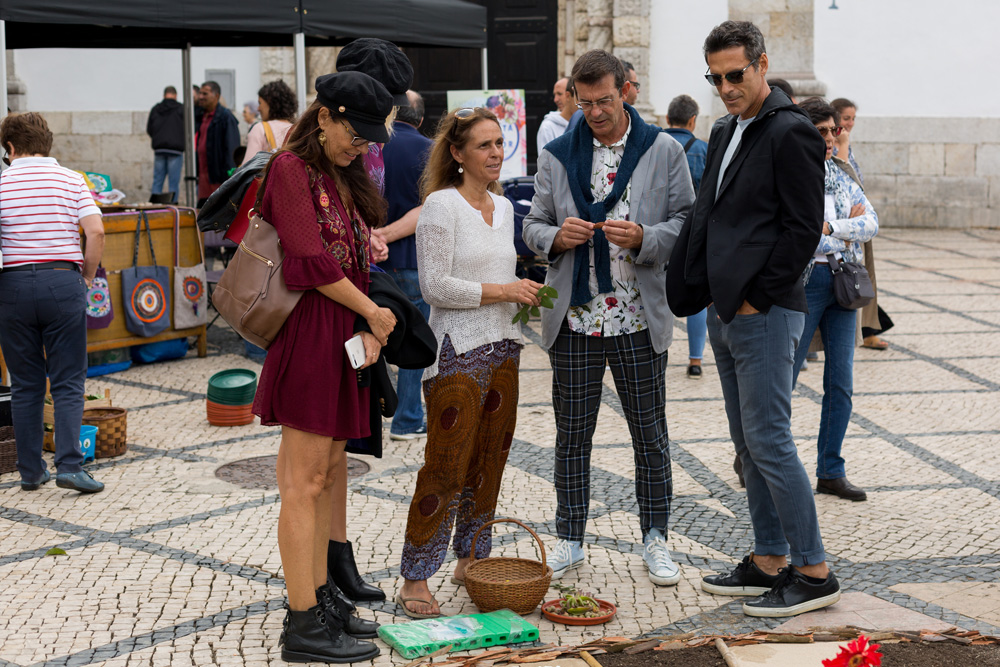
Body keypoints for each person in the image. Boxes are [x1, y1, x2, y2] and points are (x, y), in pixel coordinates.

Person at [666, 20, 841, 617]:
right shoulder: (724, 127)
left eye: (735, 74)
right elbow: (709, 209)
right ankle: (768, 557)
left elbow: (801, 230)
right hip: (725, 308)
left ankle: (814, 570)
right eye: (715, 78)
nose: (725, 87)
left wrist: (755, 298)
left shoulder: (792, 132)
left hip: (765, 311)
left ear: (762, 65)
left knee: (769, 438)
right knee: (747, 442)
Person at [522, 50, 695, 586]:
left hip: (639, 318)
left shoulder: (663, 150)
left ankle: (656, 538)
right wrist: (555, 237)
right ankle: (570, 539)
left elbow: (687, 220)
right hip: (574, 320)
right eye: (584, 101)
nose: (594, 111)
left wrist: (647, 237)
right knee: (573, 436)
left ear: (626, 91)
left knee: (651, 435)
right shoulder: (554, 155)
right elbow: (532, 225)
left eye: (604, 100)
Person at [249, 71, 394, 663]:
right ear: (326, 116)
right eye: (352, 133)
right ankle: (302, 622)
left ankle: (320, 598)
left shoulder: (338, 172)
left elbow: (350, 257)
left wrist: (366, 324)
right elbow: (307, 261)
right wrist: (372, 314)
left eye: (367, 138)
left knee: (328, 474)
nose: (359, 145)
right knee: (303, 484)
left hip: (342, 334)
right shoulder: (289, 168)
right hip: (311, 335)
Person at [396, 107, 543, 618]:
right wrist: (503, 288)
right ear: (457, 154)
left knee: (490, 461)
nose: (496, 153)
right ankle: (415, 576)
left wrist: (523, 296)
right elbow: (434, 287)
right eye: (484, 145)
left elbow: (497, 281)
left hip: (505, 345)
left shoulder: (503, 208)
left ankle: (470, 556)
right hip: (456, 351)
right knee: (446, 465)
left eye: (500, 143)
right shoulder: (441, 205)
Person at [322, 36, 414, 604]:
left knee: (339, 453)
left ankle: (338, 557)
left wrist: (368, 239)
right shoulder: (321, 152)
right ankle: (320, 577)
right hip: (330, 311)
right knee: (317, 461)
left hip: (356, 305)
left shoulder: (365, 148)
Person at [0, 112, 106, 494]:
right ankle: (70, 467)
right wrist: (87, 276)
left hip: (11, 286)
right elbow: (95, 231)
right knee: (68, 380)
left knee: (26, 384)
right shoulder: (71, 179)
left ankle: (30, 472)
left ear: (9, 148)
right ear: (48, 143)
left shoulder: (2, 182)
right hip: (63, 281)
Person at [792, 98, 879, 502]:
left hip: (843, 283)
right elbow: (800, 234)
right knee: (783, 379)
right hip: (804, 283)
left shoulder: (841, 173)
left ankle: (831, 469)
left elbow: (871, 223)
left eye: (834, 130)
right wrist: (841, 232)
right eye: (822, 132)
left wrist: (833, 226)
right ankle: (759, 459)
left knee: (840, 381)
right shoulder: (789, 175)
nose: (831, 138)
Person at [378, 90, 433, 442]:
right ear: (422, 119)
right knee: (414, 339)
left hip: (372, 259)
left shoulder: (371, 145)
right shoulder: (429, 150)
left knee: (373, 335)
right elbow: (429, 207)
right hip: (412, 258)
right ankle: (407, 419)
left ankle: (367, 416)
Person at [830, 97, 893, 351]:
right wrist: (842, 143)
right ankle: (868, 331)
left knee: (861, 281)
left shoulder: (845, 142)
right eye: (846, 118)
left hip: (857, 223)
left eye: (853, 118)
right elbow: (842, 175)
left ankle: (870, 329)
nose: (850, 123)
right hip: (844, 230)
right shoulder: (834, 144)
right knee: (853, 282)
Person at [663, 94, 709, 380]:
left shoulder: (654, 144)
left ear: (668, 119)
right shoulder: (703, 149)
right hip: (692, 233)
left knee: (657, 290)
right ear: (693, 120)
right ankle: (695, 360)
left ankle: (658, 352)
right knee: (696, 294)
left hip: (657, 231)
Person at [195, 81, 240, 207]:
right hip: (203, 181)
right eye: (200, 93)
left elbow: (232, 150)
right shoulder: (200, 116)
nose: (201, 97)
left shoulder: (226, 117)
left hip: (218, 180)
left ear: (216, 96)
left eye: (205, 93)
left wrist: (230, 178)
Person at [242, 80, 298, 165]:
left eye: (260, 103)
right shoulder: (298, 129)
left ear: (269, 102)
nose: (258, 109)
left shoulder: (260, 129)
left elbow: (247, 168)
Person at [146, 86, 185, 203]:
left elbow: (149, 128)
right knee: (173, 182)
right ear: (176, 95)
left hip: (160, 149)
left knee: (157, 180)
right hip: (175, 149)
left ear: (164, 95)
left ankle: (154, 206)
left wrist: (159, 139)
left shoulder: (156, 109)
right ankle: (173, 206)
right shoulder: (181, 109)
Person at [537, 77, 574, 149]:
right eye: (555, 95)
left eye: (559, 94)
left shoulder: (584, 122)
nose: (555, 100)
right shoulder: (547, 127)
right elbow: (546, 159)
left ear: (570, 95)